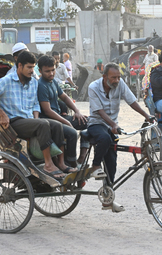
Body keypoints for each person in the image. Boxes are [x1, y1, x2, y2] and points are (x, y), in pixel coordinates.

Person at [87, 62, 152, 211]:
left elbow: (132, 101)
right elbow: (99, 111)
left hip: (112, 127)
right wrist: (113, 125)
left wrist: (147, 116)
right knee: (104, 138)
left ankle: (108, 199)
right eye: (113, 77)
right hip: (96, 124)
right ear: (104, 77)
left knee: (112, 165)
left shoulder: (120, 84)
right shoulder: (93, 87)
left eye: (118, 77)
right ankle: (95, 165)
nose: (116, 80)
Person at [0, 51, 74, 179]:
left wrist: (35, 119)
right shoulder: (6, 81)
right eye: (29, 67)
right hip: (13, 122)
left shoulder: (33, 82)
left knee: (57, 125)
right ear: (19, 66)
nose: (31, 71)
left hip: (29, 121)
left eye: (33, 68)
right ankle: (48, 164)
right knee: (43, 124)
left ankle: (59, 163)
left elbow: (35, 104)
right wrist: (2, 114)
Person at [37, 55, 89, 169]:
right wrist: (67, 122)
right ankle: (71, 163)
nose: (51, 73)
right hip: (50, 119)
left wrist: (77, 111)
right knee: (72, 133)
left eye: (53, 70)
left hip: (60, 116)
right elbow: (47, 110)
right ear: (40, 71)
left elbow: (64, 97)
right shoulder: (41, 85)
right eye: (47, 71)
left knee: (89, 122)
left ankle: (82, 157)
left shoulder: (53, 82)